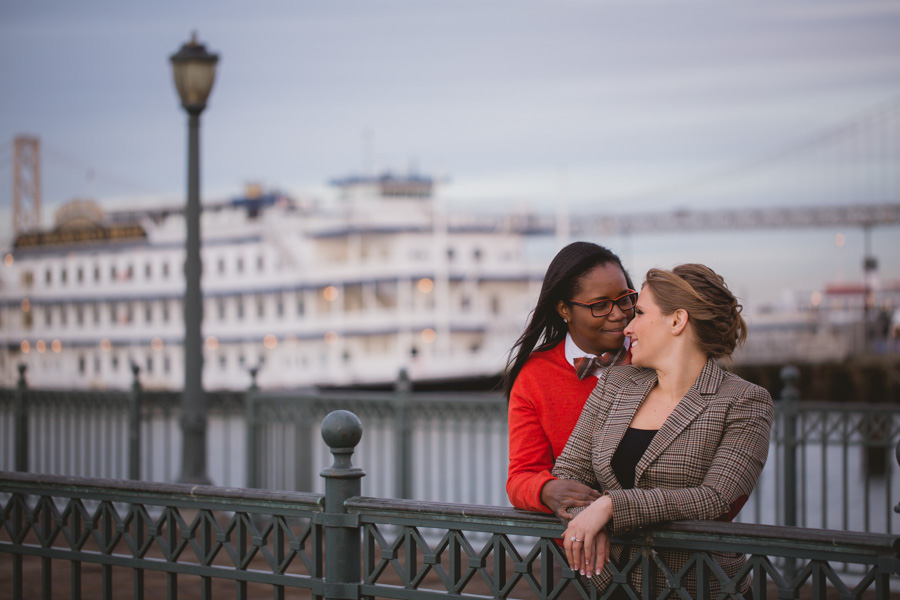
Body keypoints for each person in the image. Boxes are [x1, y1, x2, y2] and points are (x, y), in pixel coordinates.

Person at [552, 264, 774, 598]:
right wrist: (587, 519)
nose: (628, 327)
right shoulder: (615, 384)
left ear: (677, 321)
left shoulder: (743, 401)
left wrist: (610, 507)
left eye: (640, 313)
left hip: (698, 586)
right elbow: (568, 474)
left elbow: (715, 499)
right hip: (609, 584)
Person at [505, 241, 636, 518]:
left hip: (662, 535)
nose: (618, 315)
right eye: (600, 305)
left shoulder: (654, 356)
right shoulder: (535, 376)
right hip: (576, 540)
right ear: (564, 309)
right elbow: (521, 477)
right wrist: (546, 490)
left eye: (624, 299)